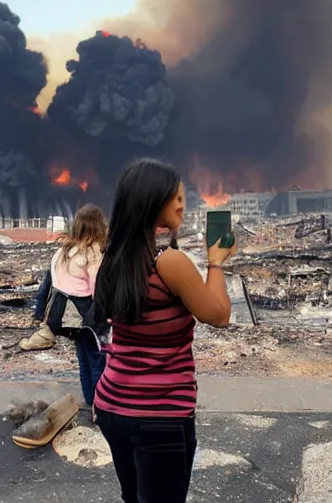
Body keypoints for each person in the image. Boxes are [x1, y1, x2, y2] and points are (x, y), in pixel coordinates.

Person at [93, 158, 236, 503]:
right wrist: (215, 262)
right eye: (174, 197)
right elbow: (218, 315)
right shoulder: (169, 262)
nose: (181, 204)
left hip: (112, 406)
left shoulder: (113, 259)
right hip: (160, 415)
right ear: (150, 201)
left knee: (134, 497)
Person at [20, 204, 108, 407]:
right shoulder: (93, 251)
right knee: (97, 357)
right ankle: (99, 407)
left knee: (83, 358)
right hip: (84, 315)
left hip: (60, 316)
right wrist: (104, 318)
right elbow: (97, 288)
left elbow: (46, 286)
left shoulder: (62, 251)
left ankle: (89, 400)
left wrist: (40, 315)